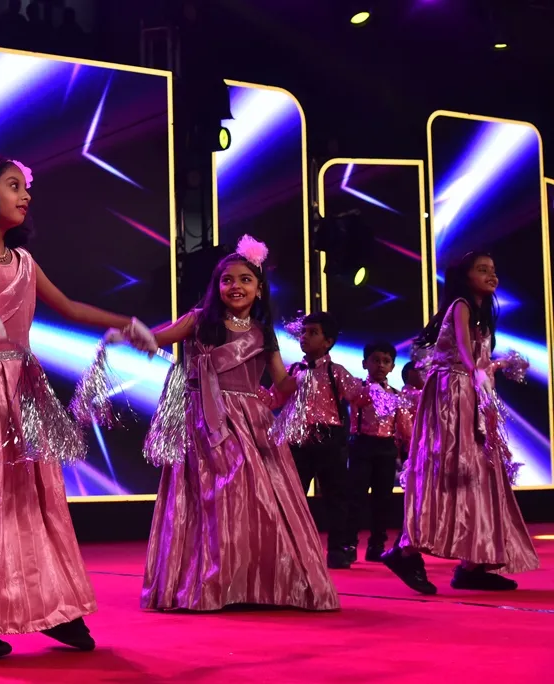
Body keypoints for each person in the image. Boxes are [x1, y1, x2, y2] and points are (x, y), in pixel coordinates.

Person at [0, 152, 157, 659]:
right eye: (13, 185)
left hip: (19, 388)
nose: (25, 194)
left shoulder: (23, 263)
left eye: (24, 186)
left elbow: (70, 307)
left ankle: (51, 606)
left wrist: (127, 326)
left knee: (32, 498)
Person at [137, 236, 339, 612]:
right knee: (213, 499)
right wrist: (133, 333)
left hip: (251, 424)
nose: (236, 286)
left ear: (259, 288)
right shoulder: (200, 320)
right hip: (205, 421)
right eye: (227, 280)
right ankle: (209, 583)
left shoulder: (264, 334)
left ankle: (257, 582)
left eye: (245, 279)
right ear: (217, 286)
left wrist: (305, 378)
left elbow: (281, 383)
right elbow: (157, 338)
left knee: (259, 499)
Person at [382, 252, 539, 594]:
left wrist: (497, 366)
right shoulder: (461, 306)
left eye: (493, 269)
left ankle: (474, 564)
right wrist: (479, 374)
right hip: (452, 395)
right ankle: (407, 551)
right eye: (482, 270)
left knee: (480, 471)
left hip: (470, 394)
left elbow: (476, 360)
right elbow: (466, 356)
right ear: (465, 276)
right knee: (452, 468)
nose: (491, 275)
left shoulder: (480, 315)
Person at [287, 311, 369, 569]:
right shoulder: (293, 371)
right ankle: (293, 550)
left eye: (313, 333)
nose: (304, 337)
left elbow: (360, 397)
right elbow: (276, 397)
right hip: (298, 440)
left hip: (330, 440)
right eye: (303, 332)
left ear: (328, 342)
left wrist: (370, 388)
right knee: (293, 495)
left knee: (336, 497)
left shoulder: (337, 371)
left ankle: (336, 549)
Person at [344, 341, 411, 563]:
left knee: (383, 499)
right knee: (355, 497)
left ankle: (377, 545)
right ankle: (349, 544)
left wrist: (412, 448)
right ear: (365, 363)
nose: (380, 365)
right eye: (375, 360)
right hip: (361, 445)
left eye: (386, 361)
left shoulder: (397, 395)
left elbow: (406, 428)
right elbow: (354, 401)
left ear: (392, 366)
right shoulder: (358, 390)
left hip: (386, 449)